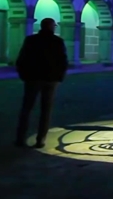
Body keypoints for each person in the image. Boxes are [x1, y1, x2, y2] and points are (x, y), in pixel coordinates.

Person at [15, 18, 68, 148]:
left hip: (32, 79)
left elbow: (21, 59)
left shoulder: (31, 40)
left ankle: (20, 138)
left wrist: (24, 76)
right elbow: (63, 61)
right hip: (50, 80)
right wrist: (59, 77)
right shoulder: (58, 41)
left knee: (26, 109)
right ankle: (41, 139)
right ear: (52, 27)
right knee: (46, 110)